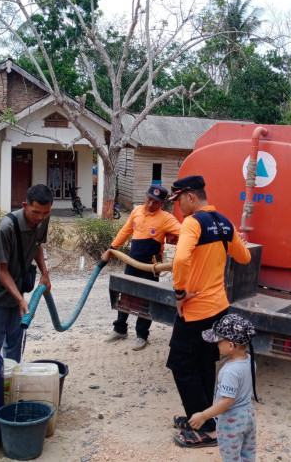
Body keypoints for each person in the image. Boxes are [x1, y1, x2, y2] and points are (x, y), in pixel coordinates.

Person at [165, 175, 251, 448]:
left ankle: (206, 431)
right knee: (203, 363)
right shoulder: (225, 223)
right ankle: (203, 419)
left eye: (177, 199)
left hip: (195, 311)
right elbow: (244, 257)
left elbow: (179, 259)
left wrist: (180, 292)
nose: (177, 206)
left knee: (180, 364)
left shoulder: (192, 223)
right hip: (218, 308)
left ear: (190, 196)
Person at [0, 184, 53, 362]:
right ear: (25, 205)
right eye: (36, 212)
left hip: (16, 288)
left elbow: (37, 246)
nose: (40, 217)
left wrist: (45, 273)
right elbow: (1, 271)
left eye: (45, 212)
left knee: (14, 345)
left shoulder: (42, 219)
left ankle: (10, 386)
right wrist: (21, 300)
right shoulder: (6, 227)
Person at [103, 184, 181, 351]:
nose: (151, 204)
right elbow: (125, 231)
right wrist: (112, 248)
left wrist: (177, 239)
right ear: (145, 196)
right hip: (132, 261)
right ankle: (120, 329)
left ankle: (142, 335)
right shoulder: (136, 211)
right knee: (125, 294)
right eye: (149, 199)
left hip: (151, 266)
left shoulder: (166, 218)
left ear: (162, 203)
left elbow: (184, 233)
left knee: (147, 299)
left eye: (156, 202)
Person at [188, 314, 259, 461]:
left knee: (231, 457)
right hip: (248, 414)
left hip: (231, 420)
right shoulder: (250, 360)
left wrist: (203, 416)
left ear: (231, 345)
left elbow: (227, 402)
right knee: (247, 454)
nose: (216, 344)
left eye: (219, 341)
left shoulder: (230, 371)